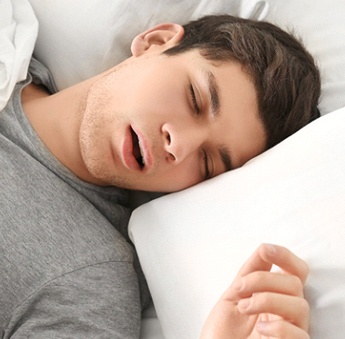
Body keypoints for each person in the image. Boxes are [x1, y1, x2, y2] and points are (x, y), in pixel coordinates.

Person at [0, 14, 320, 338]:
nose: (179, 145)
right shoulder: (9, 39)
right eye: (195, 99)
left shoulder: (88, 281)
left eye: (208, 163)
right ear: (156, 42)